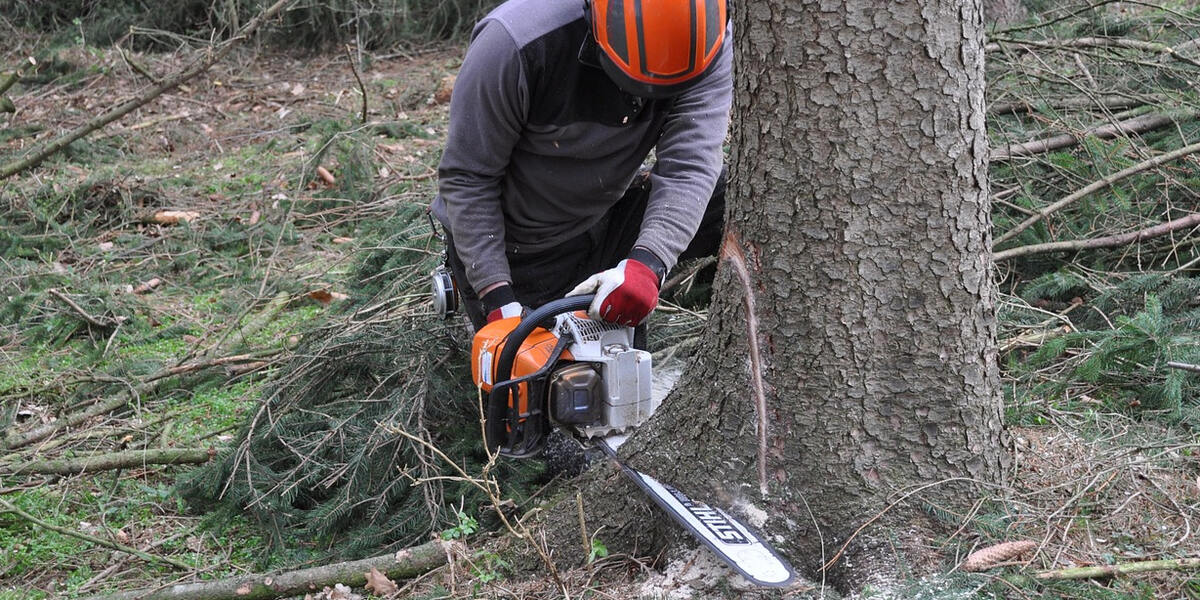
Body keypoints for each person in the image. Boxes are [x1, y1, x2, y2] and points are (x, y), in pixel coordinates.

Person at [431, 0, 732, 332]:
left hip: (608, 211)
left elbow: (689, 163)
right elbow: (469, 177)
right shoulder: (515, 43)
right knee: (549, 362)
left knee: (735, 199)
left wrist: (649, 262)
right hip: (521, 247)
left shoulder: (707, 39)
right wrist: (497, 296)